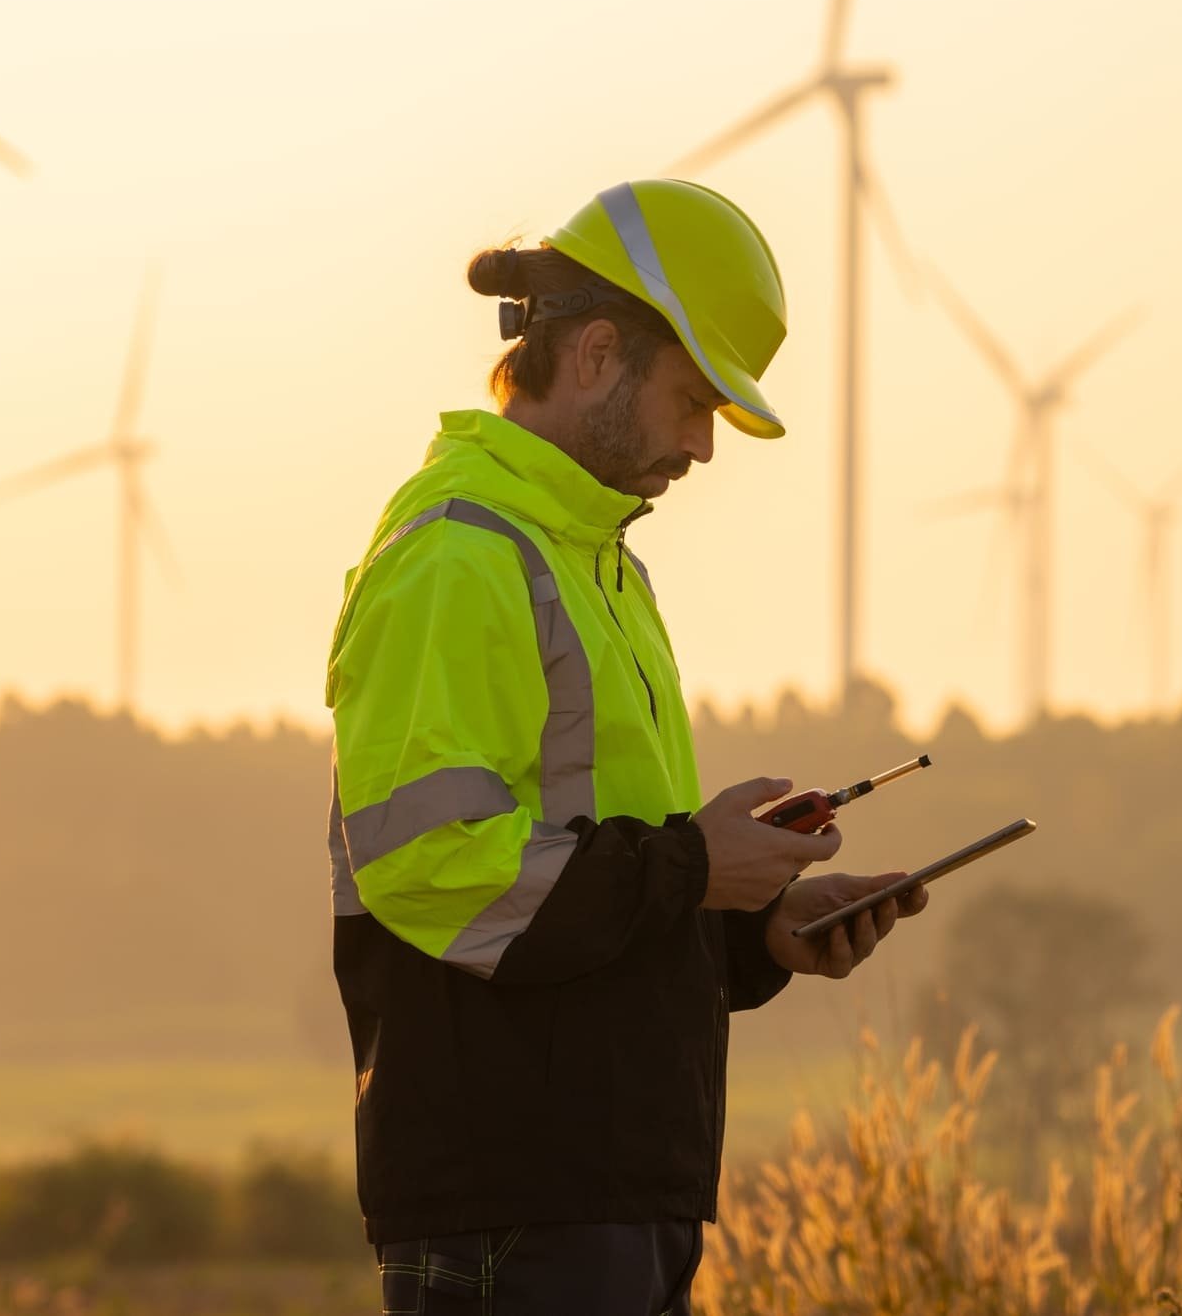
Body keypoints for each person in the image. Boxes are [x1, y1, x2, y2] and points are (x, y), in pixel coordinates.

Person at [324, 179, 926, 1313]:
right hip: (515, 1196)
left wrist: (754, 927)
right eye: (693, 399)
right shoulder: (459, 555)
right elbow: (438, 871)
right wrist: (697, 866)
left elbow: (592, 886)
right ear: (597, 353)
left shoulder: (598, 564)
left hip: (612, 1188)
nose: (704, 445)